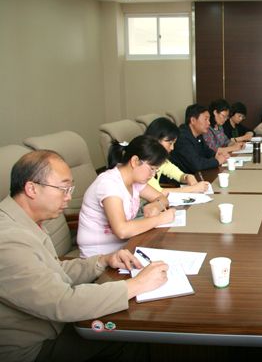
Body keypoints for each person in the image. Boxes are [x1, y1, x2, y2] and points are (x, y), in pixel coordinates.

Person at [0, 150, 168, 362]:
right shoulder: (8, 240)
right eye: (63, 189)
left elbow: (54, 271)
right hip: (34, 348)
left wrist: (103, 260)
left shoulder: (24, 221)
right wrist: (137, 285)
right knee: (130, 337)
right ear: (31, 188)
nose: (69, 197)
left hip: (51, 325)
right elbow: (62, 303)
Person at [77, 135, 176, 257]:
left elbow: (162, 198)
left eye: (156, 170)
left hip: (125, 248)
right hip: (100, 257)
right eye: (151, 169)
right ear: (135, 161)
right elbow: (122, 230)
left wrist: (156, 205)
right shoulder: (109, 184)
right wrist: (160, 219)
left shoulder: (135, 180)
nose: (153, 175)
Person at [144, 117, 210, 194]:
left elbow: (177, 174)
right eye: (170, 143)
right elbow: (157, 192)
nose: (172, 148)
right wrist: (193, 188)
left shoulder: (160, 159)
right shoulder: (145, 161)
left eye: (173, 143)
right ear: (156, 139)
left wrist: (187, 177)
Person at [170, 103, 229, 173]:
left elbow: (206, 151)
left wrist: (216, 155)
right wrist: (217, 161)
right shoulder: (182, 137)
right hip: (184, 177)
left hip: (197, 174)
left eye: (209, 119)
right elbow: (196, 164)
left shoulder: (198, 134)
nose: (209, 123)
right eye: (205, 119)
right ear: (193, 120)